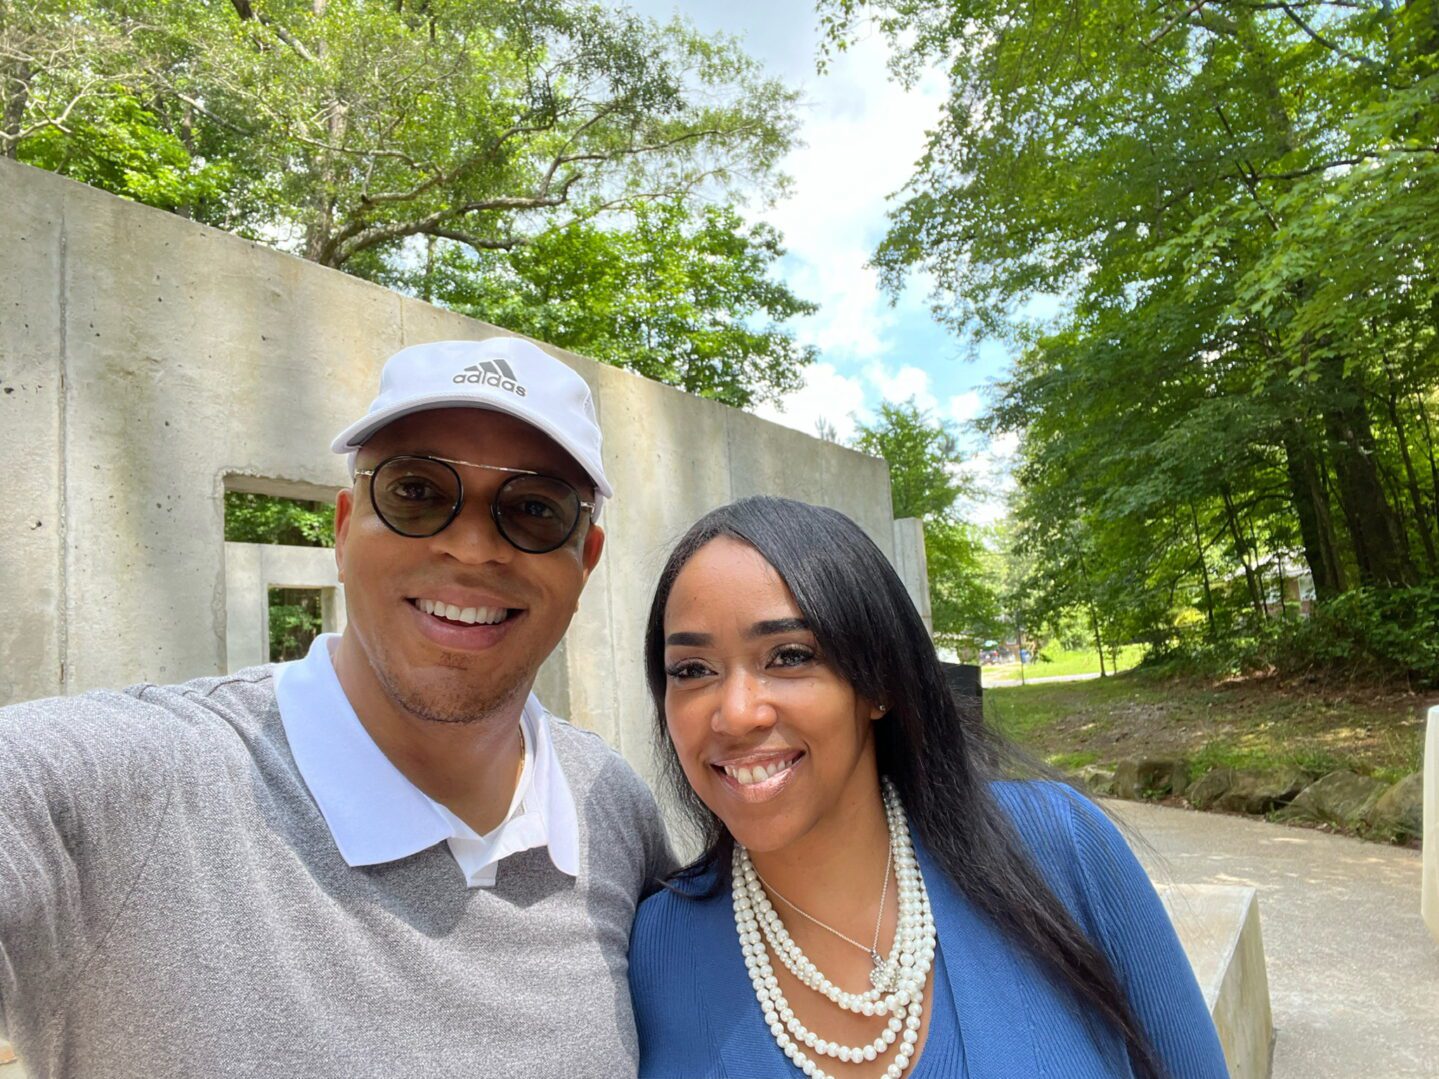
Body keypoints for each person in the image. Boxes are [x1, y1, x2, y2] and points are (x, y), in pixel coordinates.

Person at [0, 337, 670, 1078]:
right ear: (345, 528)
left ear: (587, 560)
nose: (474, 548)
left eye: (536, 508)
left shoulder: (609, 810)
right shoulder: (124, 790)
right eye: (417, 492)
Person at [628, 497, 1227, 1079]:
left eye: (787, 656)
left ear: (879, 684)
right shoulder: (656, 950)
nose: (735, 714)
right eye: (692, 671)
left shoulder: (1058, 849)